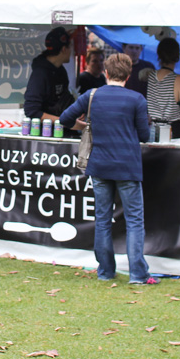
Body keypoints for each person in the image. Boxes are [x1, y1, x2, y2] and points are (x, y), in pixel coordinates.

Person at [59, 53, 156, 284]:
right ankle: (138, 274)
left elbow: (65, 118)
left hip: (99, 165)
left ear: (106, 73)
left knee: (102, 219)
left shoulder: (92, 95)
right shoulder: (137, 99)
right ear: (128, 75)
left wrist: (84, 126)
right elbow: (143, 135)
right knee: (134, 221)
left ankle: (105, 271)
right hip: (128, 167)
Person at [144, 38, 180, 140]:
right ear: (177, 56)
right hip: (172, 132)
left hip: (152, 130)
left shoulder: (150, 76)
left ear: (158, 55)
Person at [23, 27, 76, 122]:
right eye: (71, 46)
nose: (72, 51)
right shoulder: (40, 74)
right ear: (64, 49)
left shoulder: (60, 70)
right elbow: (31, 110)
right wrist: (62, 121)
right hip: (46, 131)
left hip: (60, 129)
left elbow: (62, 100)